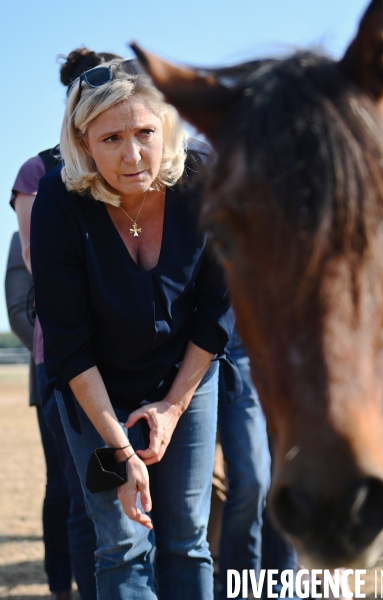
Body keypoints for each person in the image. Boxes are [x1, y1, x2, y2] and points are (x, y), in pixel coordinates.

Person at [30, 57, 234, 599]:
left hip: (185, 378)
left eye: (145, 132)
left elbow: (218, 312)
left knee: (187, 539)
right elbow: (68, 344)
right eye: (111, 138)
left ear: (166, 127)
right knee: (121, 544)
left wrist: (171, 407)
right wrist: (119, 450)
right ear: (83, 141)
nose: (133, 154)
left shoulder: (203, 184)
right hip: (92, 393)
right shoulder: (57, 200)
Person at [7, 48, 126, 600]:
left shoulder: (132, 157)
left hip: (128, 352)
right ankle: (66, 588)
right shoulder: (38, 170)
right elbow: (34, 259)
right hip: (60, 350)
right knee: (74, 490)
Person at [218, 329, 298, 600]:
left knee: (287, 477)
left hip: (288, 342)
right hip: (235, 342)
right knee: (252, 481)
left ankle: (282, 588)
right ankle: (237, 590)